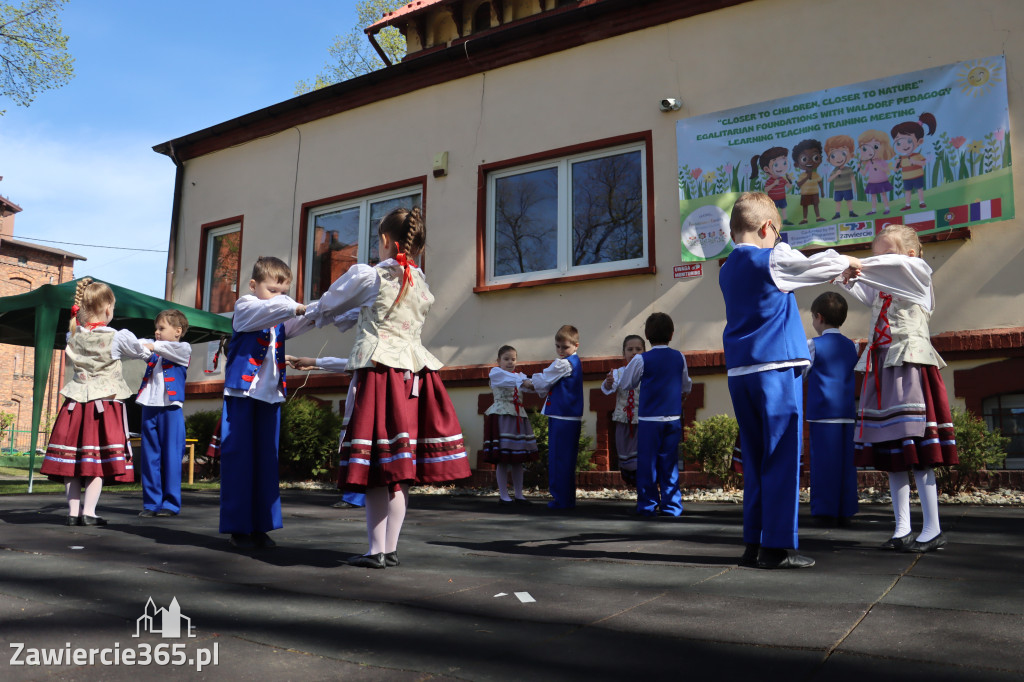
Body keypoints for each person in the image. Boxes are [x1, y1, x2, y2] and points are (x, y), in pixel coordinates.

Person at [304, 207, 470, 568]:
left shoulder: (371, 275)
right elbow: (370, 313)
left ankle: (376, 550)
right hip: (414, 377)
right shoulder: (419, 282)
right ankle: (389, 548)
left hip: (380, 374)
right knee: (399, 469)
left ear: (383, 240)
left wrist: (300, 314)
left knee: (378, 469)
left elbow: (329, 303)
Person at [719, 192, 860, 569]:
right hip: (775, 369)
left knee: (755, 460)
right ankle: (777, 547)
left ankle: (754, 543)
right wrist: (848, 261)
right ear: (768, 228)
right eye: (778, 234)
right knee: (781, 457)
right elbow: (815, 265)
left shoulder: (726, 268)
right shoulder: (773, 257)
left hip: (740, 372)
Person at [843, 224, 958, 553]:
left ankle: (933, 528)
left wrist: (862, 264)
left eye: (886, 253)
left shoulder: (918, 275)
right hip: (882, 368)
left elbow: (898, 267)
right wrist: (844, 273)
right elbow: (861, 288)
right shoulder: (882, 287)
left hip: (909, 366)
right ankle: (902, 528)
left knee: (918, 451)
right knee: (893, 452)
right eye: (875, 254)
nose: (878, 260)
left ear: (908, 254)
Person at [219, 256, 313, 550]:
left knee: (266, 463)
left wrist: (329, 308)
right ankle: (238, 528)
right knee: (239, 461)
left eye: (283, 291)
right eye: (272, 289)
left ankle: (261, 526)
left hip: (270, 395)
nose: (278, 296)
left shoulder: (279, 313)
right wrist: (293, 305)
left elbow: (305, 319)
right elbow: (276, 309)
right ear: (253, 285)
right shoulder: (245, 307)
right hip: (243, 394)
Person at [40, 278, 136, 526]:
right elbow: (141, 352)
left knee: (71, 461)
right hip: (102, 406)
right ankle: (89, 512)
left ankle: (73, 513)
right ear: (108, 309)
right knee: (96, 461)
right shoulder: (117, 337)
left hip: (74, 406)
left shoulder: (72, 335)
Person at [612, 315, 691, 516]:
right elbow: (686, 384)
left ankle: (647, 505)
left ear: (647, 335)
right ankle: (672, 506)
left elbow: (627, 383)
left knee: (648, 464)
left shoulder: (641, 359)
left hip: (649, 419)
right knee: (670, 463)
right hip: (673, 417)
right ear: (671, 334)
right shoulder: (679, 357)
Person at [127, 309, 192, 518]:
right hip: (149, 406)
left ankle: (171, 504)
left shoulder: (183, 349)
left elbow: (162, 348)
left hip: (171, 408)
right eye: (156, 328)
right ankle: (152, 503)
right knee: (150, 457)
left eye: (162, 328)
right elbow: (140, 347)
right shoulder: (155, 352)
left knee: (172, 456)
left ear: (178, 331)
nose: (157, 332)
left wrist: (151, 345)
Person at [804, 292, 859, 527]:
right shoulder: (852, 346)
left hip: (822, 414)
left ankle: (825, 510)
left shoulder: (812, 345)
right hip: (846, 413)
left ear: (819, 317)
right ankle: (846, 509)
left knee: (823, 464)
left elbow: (803, 373)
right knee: (847, 464)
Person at [285, 353, 366, 510]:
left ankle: (356, 496)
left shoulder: (376, 354)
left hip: (368, 407)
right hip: (367, 405)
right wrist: (315, 365)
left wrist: (314, 362)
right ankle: (358, 495)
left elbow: (351, 364)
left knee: (362, 449)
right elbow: (349, 364)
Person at [530, 325, 584, 510]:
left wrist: (524, 381)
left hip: (563, 416)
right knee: (565, 459)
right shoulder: (573, 362)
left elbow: (543, 380)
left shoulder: (565, 363)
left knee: (559, 459)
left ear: (576, 345)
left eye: (565, 347)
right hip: (567, 416)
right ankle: (565, 499)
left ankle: (561, 500)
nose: (561, 350)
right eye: (558, 346)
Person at [481, 345, 539, 505]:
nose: (510, 362)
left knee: (517, 459)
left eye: (513, 359)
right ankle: (504, 495)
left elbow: (530, 387)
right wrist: (525, 381)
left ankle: (519, 494)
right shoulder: (496, 373)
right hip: (502, 417)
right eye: (506, 359)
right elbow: (514, 381)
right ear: (498, 361)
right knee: (503, 458)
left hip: (517, 417)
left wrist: (539, 383)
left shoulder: (518, 376)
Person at [601, 334, 646, 487]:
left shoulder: (646, 372)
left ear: (644, 352)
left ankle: (641, 482)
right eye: (630, 349)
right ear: (623, 353)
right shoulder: (619, 372)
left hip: (640, 420)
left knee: (640, 453)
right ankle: (631, 479)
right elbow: (608, 388)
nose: (634, 352)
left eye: (638, 349)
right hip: (623, 420)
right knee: (625, 451)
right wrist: (609, 383)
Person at [891, 113, 937, 210]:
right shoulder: (901, 158)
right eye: (898, 143)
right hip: (907, 178)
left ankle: (922, 202)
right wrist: (896, 163)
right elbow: (895, 170)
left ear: (919, 141)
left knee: (919, 189)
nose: (904, 145)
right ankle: (907, 205)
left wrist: (915, 162)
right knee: (907, 191)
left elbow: (924, 163)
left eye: (909, 141)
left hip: (917, 176)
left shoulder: (917, 155)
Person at [857, 130, 894, 216]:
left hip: (882, 181)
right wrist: (859, 168)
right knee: (873, 196)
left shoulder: (882, 161)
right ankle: (873, 210)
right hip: (872, 182)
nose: (871, 151)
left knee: (883, 195)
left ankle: (887, 208)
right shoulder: (868, 163)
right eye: (865, 148)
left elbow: (887, 170)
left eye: (876, 147)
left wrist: (879, 167)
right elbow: (864, 173)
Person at [824, 135, 858, 220]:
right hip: (838, 190)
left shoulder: (848, 169)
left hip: (847, 188)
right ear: (829, 159)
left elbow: (853, 178)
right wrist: (836, 174)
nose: (839, 158)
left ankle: (851, 212)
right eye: (833, 155)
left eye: (843, 153)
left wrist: (855, 188)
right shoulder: (835, 170)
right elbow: (829, 180)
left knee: (849, 201)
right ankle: (837, 214)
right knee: (838, 202)